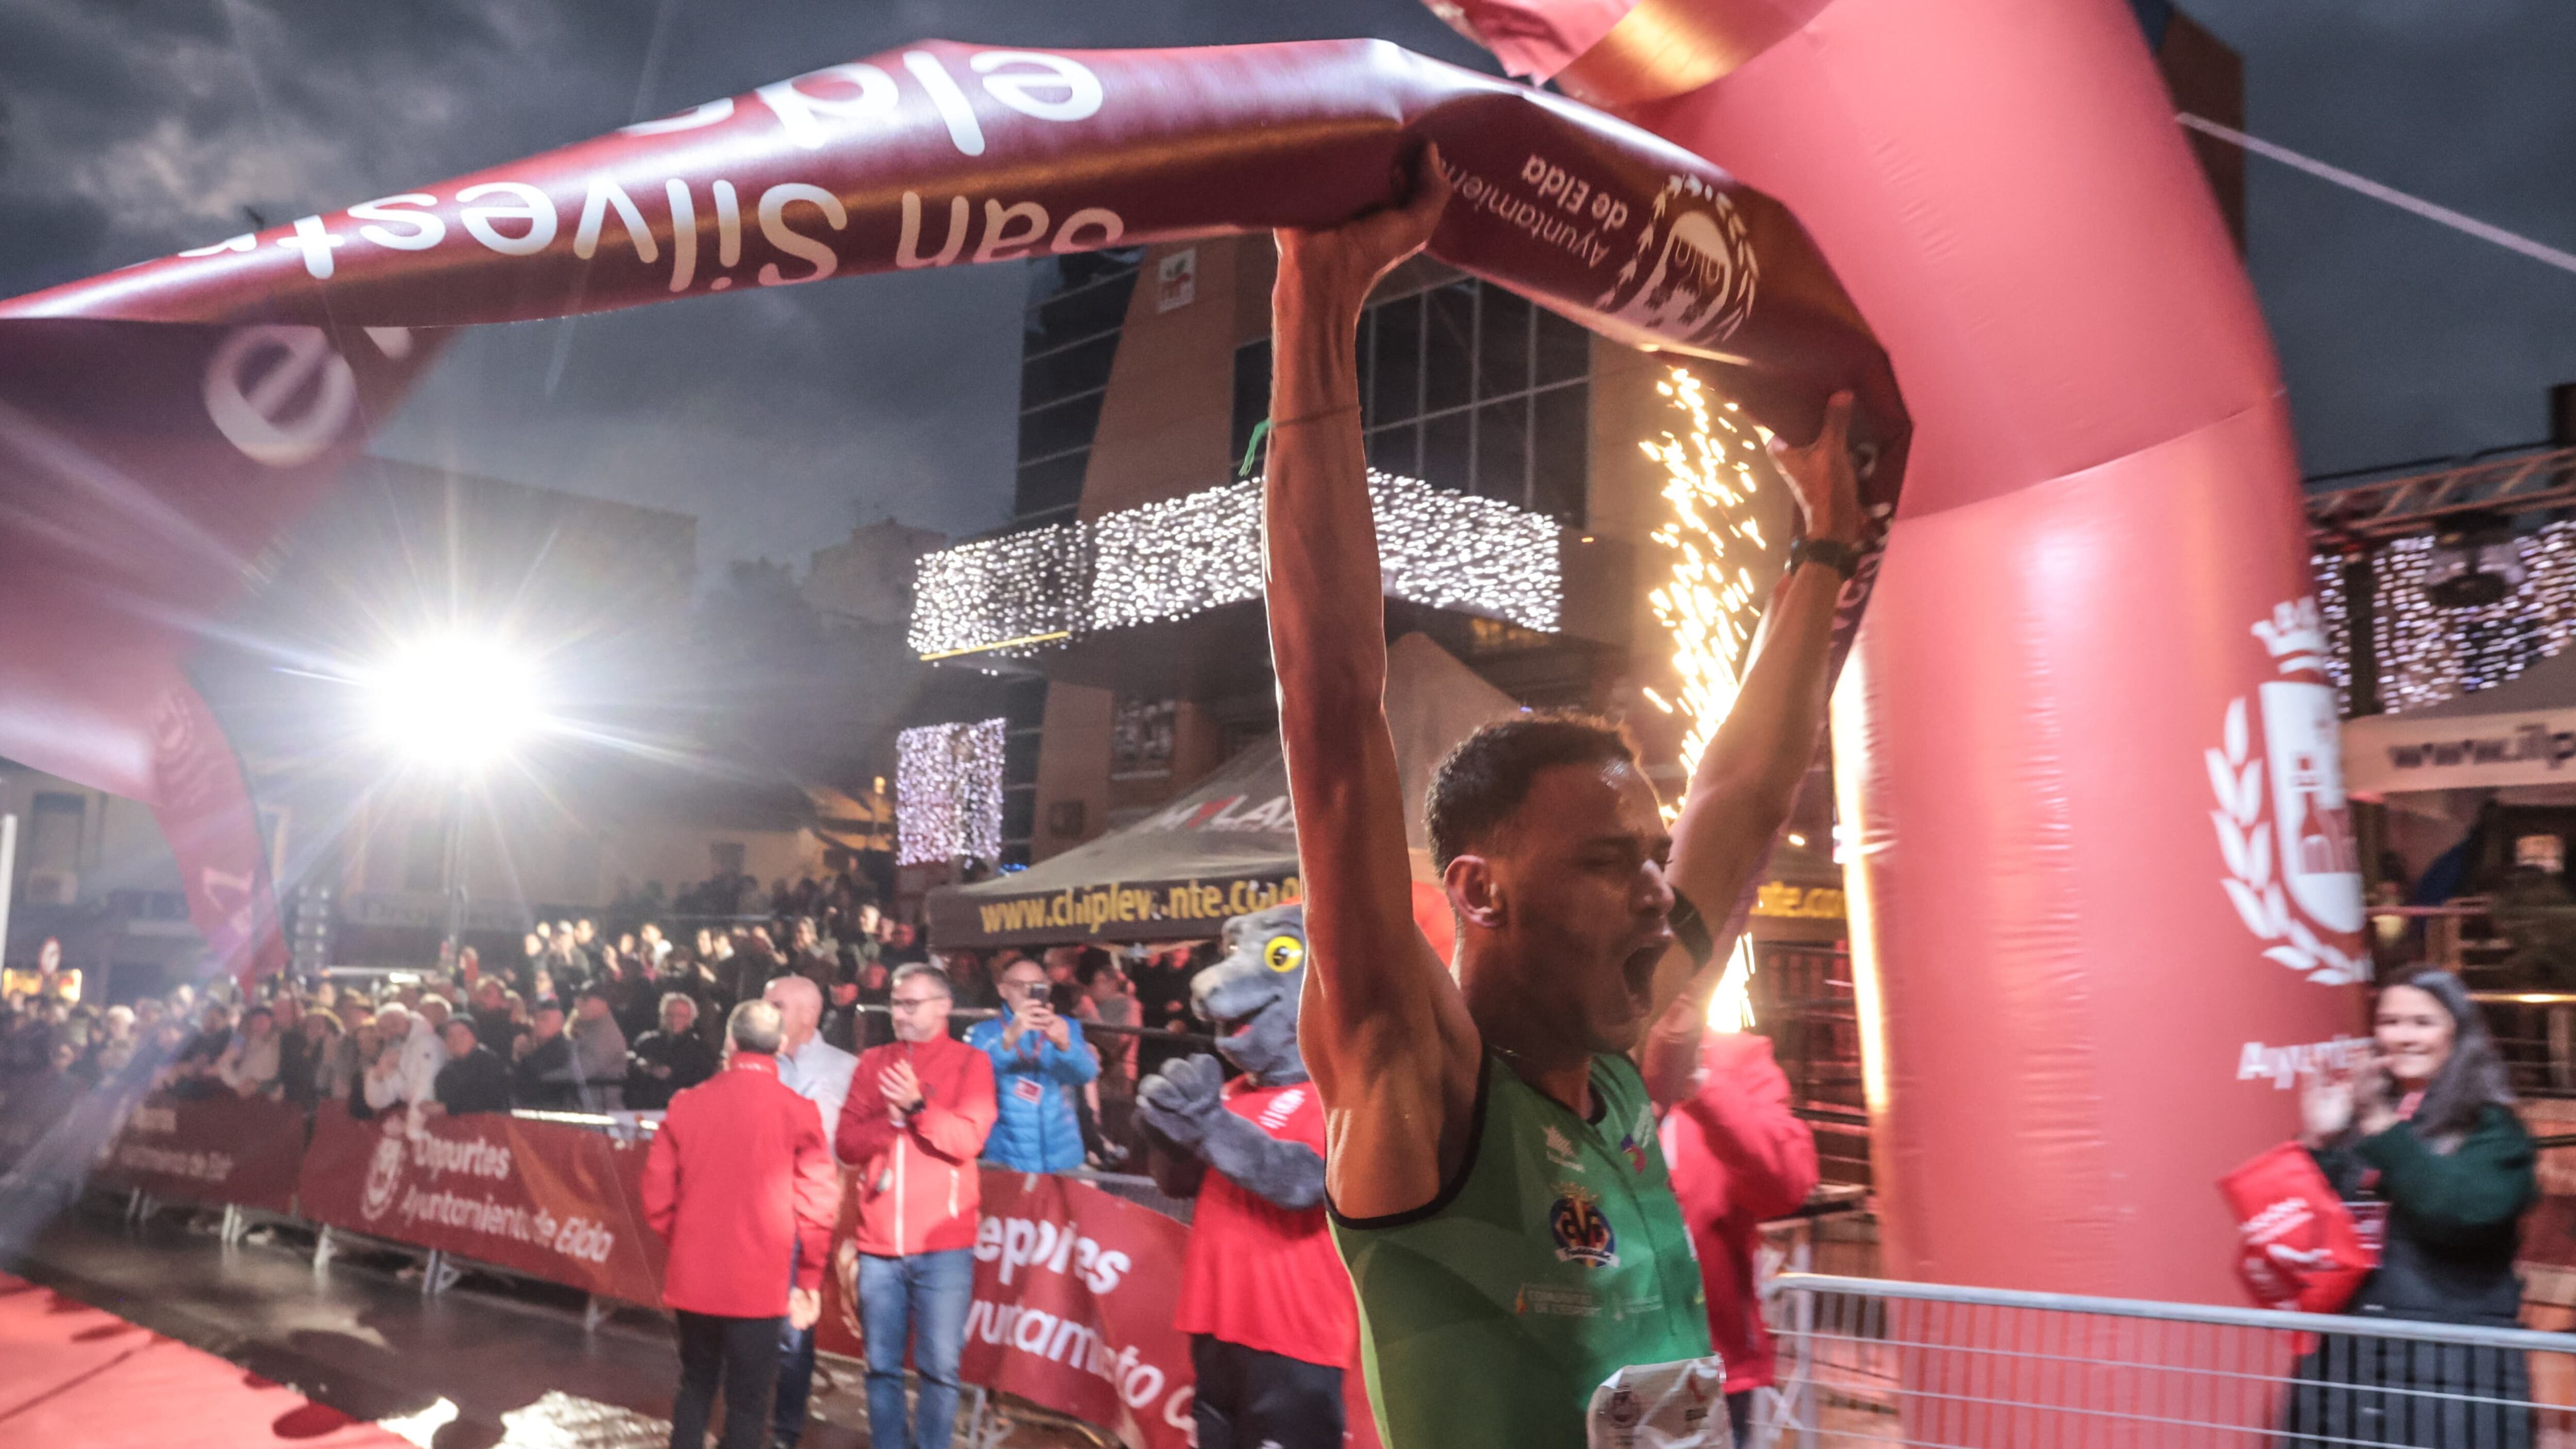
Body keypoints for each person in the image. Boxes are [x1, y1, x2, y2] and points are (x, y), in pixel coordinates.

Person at [1263, 148, 1860, 1449]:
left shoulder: (1619, 1060)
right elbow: (1332, 710)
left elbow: (1745, 792)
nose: (1659, 883)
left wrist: (1822, 539)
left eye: (1649, 854)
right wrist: (1316, 299)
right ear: (1478, 890)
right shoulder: (1419, 1081)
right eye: (1606, 860)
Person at [2286, 969, 2539, 1447]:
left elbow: (2460, 1214)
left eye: (2422, 1023)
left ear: (2458, 1034)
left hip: (2449, 1371)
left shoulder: (2492, 1128)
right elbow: (2301, 1230)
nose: (2402, 1036)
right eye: (2390, 1021)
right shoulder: (2364, 1121)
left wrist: (2382, 1128)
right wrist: (2318, 1143)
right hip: (2349, 1363)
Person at [1138, 905, 1358, 1449]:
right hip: (1215, 1320)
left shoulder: (1342, 1097)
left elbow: (1304, 1183)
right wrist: (1168, 1134)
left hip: (1293, 1335)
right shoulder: (1235, 1093)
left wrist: (1207, 1126)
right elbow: (1179, 1183)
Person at [641, 1001, 840, 1449]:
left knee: (695, 1383)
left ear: (730, 1043)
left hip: (696, 1277)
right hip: (761, 1281)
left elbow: (656, 1194)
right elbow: (818, 1202)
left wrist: (686, 1239)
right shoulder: (800, 1111)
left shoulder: (687, 1104)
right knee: (748, 1401)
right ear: (782, 1046)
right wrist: (808, 1278)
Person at [834, 964, 997, 1449]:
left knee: (940, 1368)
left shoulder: (972, 1064)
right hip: (880, 1242)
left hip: (943, 1246)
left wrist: (917, 1109)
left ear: (944, 1007)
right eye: (896, 1003)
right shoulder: (872, 1061)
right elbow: (846, 1142)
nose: (899, 1013)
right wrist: (892, 1125)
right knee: (881, 1367)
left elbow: (969, 1141)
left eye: (911, 1004)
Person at [1663, 1032, 1822, 1444]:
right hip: (1594, 1361)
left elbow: (1787, 1184)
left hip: (1713, 1367)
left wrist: (1702, 1084)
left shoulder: (1734, 1059)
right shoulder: (1578, 1053)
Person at [761, 972, 858, 1447]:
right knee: (746, 1326)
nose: (767, 1012)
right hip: (753, 1213)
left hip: (805, 1216)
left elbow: (858, 1144)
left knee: (794, 1333)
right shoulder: (753, 1064)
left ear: (809, 1014)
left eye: (776, 1004)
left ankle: (785, 1432)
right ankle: (747, 1422)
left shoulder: (848, 1068)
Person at [968, 956, 1098, 1174]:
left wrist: (1065, 1046)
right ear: (1003, 990)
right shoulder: (984, 1032)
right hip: (1007, 1157)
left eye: (1037, 986)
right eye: (1019, 986)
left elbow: (1086, 1074)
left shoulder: (1066, 1026)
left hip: (1063, 1154)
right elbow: (972, 1079)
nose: (1028, 993)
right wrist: (1007, 1040)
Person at [628, 993, 720, 1111]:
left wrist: (674, 1074)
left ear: (690, 1018)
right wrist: (645, 1068)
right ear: (663, 1016)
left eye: (681, 1015)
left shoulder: (700, 1048)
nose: (675, 1020)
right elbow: (630, 1067)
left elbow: (704, 1079)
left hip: (684, 1109)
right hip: (647, 1107)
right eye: (670, 1015)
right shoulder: (647, 1042)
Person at [430, 1016, 513, 1116]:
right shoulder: (448, 1070)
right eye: (450, 1035)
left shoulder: (489, 1062)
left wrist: (449, 1107)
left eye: (462, 1034)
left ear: (474, 1037)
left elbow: (489, 1099)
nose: (456, 1040)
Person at [569, 985, 630, 1110]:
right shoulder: (583, 1029)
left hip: (602, 1113)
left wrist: (544, 1072)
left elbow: (582, 1070)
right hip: (587, 1108)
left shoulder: (606, 1034)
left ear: (600, 1002)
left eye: (585, 999)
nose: (578, 1004)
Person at [511, 1004, 580, 1109]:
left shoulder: (563, 1051)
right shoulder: (537, 1050)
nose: (537, 1023)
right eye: (536, 1018)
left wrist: (522, 1057)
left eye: (544, 1018)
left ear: (560, 1023)